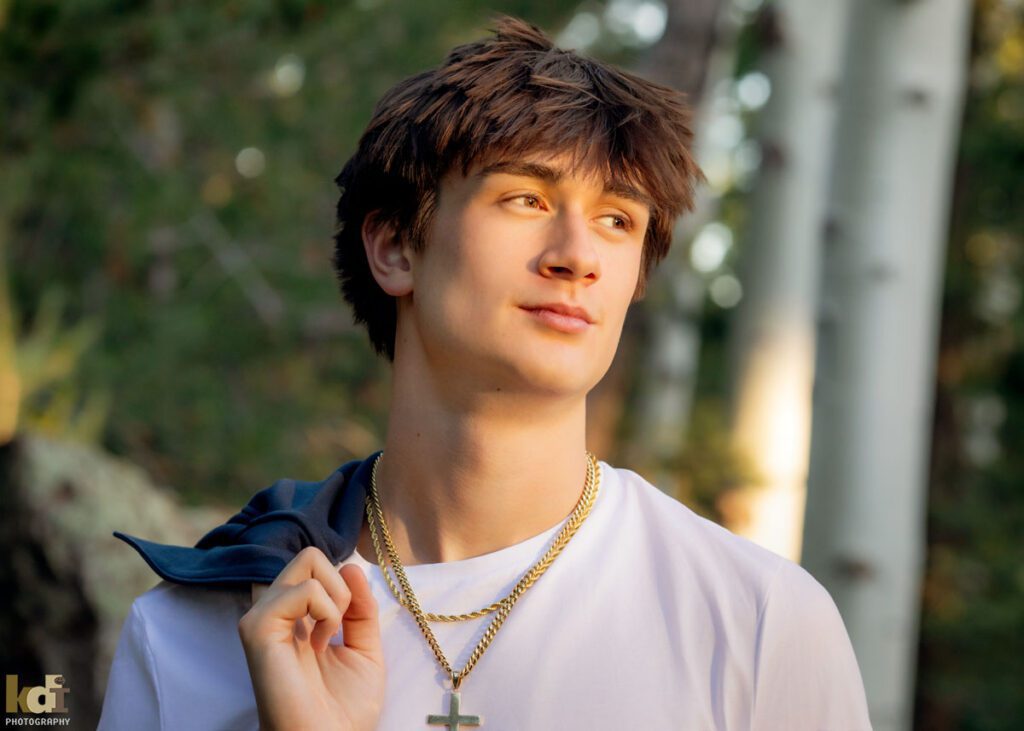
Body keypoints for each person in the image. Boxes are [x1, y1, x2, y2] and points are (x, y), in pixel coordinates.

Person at [98, 16, 872, 731]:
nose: (578, 256)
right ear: (397, 247)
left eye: (617, 219)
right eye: (525, 197)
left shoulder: (758, 621)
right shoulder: (190, 637)